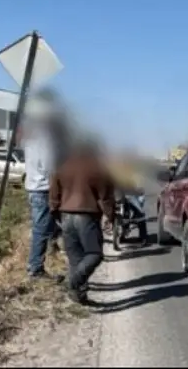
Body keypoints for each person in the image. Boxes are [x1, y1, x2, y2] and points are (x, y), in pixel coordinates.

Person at [49, 140, 116, 304]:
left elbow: (53, 193)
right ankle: (73, 284)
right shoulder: (98, 168)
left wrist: (55, 212)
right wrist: (110, 216)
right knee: (94, 254)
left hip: (65, 215)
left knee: (75, 259)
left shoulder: (62, 165)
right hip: (87, 216)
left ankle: (79, 296)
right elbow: (105, 196)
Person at [22, 121, 62, 282]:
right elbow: (49, 168)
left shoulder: (30, 140)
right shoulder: (43, 142)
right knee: (41, 230)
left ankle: (40, 262)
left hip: (34, 187)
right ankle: (35, 268)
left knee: (48, 228)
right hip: (43, 189)